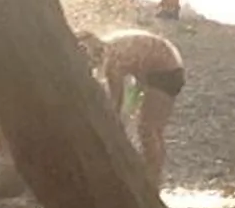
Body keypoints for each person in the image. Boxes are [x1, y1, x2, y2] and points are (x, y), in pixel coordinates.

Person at [77, 27, 184, 181]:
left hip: (165, 71)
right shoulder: (111, 44)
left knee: (148, 129)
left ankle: (153, 176)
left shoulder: (112, 61)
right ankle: (153, 173)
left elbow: (116, 101)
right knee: (153, 129)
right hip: (167, 63)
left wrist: (112, 124)